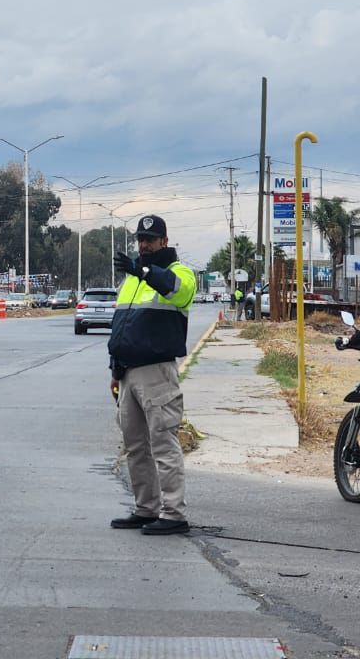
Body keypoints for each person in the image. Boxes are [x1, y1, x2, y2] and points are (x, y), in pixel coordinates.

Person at [107, 215, 197, 536]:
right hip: (129, 373)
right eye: (140, 239)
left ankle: (174, 514)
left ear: (164, 240)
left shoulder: (179, 272)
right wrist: (116, 370)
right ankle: (146, 508)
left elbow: (179, 291)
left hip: (157, 372)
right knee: (134, 446)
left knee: (163, 443)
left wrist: (143, 270)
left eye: (150, 239)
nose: (144, 244)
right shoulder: (130, 280)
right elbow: (122, 328)